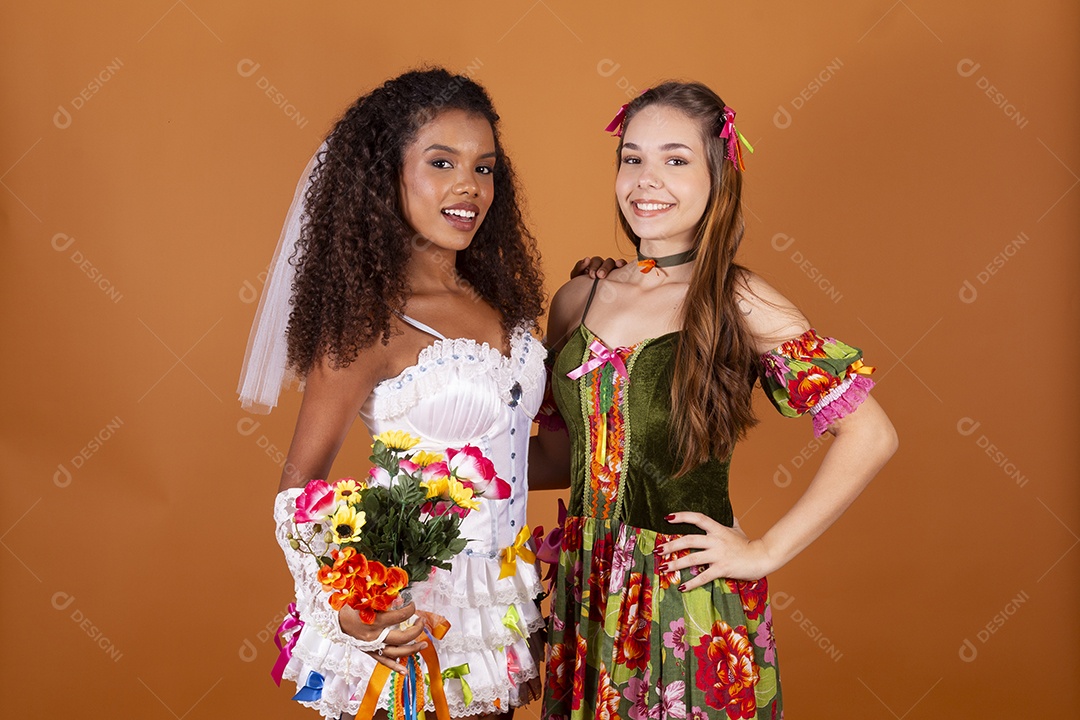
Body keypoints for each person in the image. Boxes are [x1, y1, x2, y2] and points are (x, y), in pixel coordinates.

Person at [239, 68, 613, 720]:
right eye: (442, 162)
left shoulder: (504, 304)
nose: (469, 185)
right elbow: (300, 482)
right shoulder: (369, 322)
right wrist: (355, 609)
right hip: (411, 610)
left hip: (494, 601)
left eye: (485, 167)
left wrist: (590, 313)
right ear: (387, 174)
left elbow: (537, 463)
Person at [532, 82, 898, 719]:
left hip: (685, 599)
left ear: (717, 178)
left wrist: (762, 553)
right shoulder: (578, 299)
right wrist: (446, 465)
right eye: (632, 158)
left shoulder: (738, 299)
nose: (647, 180)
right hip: (587, 590)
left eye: (676, 160)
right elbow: (567, 455)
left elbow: (871, 434)